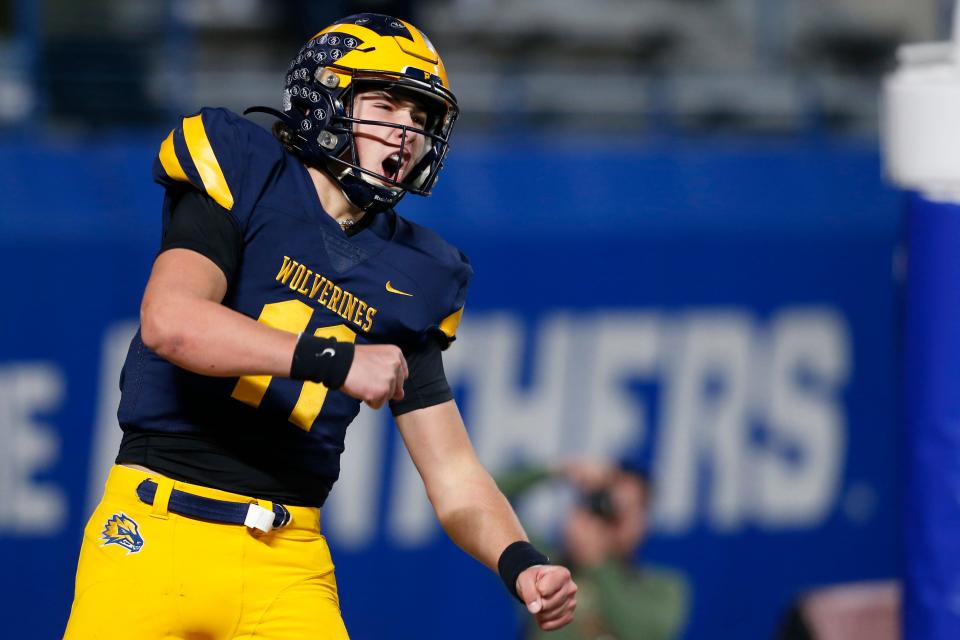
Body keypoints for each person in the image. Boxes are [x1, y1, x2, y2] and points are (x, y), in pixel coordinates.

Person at [64, 13, 576, 639]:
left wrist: (520, 562)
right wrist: (335, 360)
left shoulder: (421, 272)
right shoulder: (245, 164)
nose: (406, 134)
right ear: (324, 99)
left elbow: (454, 474)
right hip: (154, 526)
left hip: (289, 556)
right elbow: (171, 323)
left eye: (420, 120)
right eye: (387, 106)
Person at [499, 460, 689, 640]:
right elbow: (485, 500)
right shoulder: (548, 566)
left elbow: (641, 633)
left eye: (627, 508)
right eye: (609, 505)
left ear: (643, 521)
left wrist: (598, 563)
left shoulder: (662, 588)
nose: (614, 518)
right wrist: (559, 471)